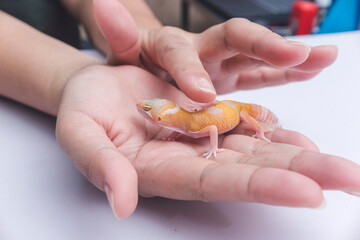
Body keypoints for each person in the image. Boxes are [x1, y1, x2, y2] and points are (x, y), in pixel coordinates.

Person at [1, 0, 359, 220]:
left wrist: (147, 38)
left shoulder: (184, 122)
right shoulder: (177, 121)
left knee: (248, 119)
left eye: (147, 109)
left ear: (162, 113)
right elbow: (188, 128)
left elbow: (209, 128)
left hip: (236, 113)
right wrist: (69, 75)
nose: (142, 110)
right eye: (146, 108)